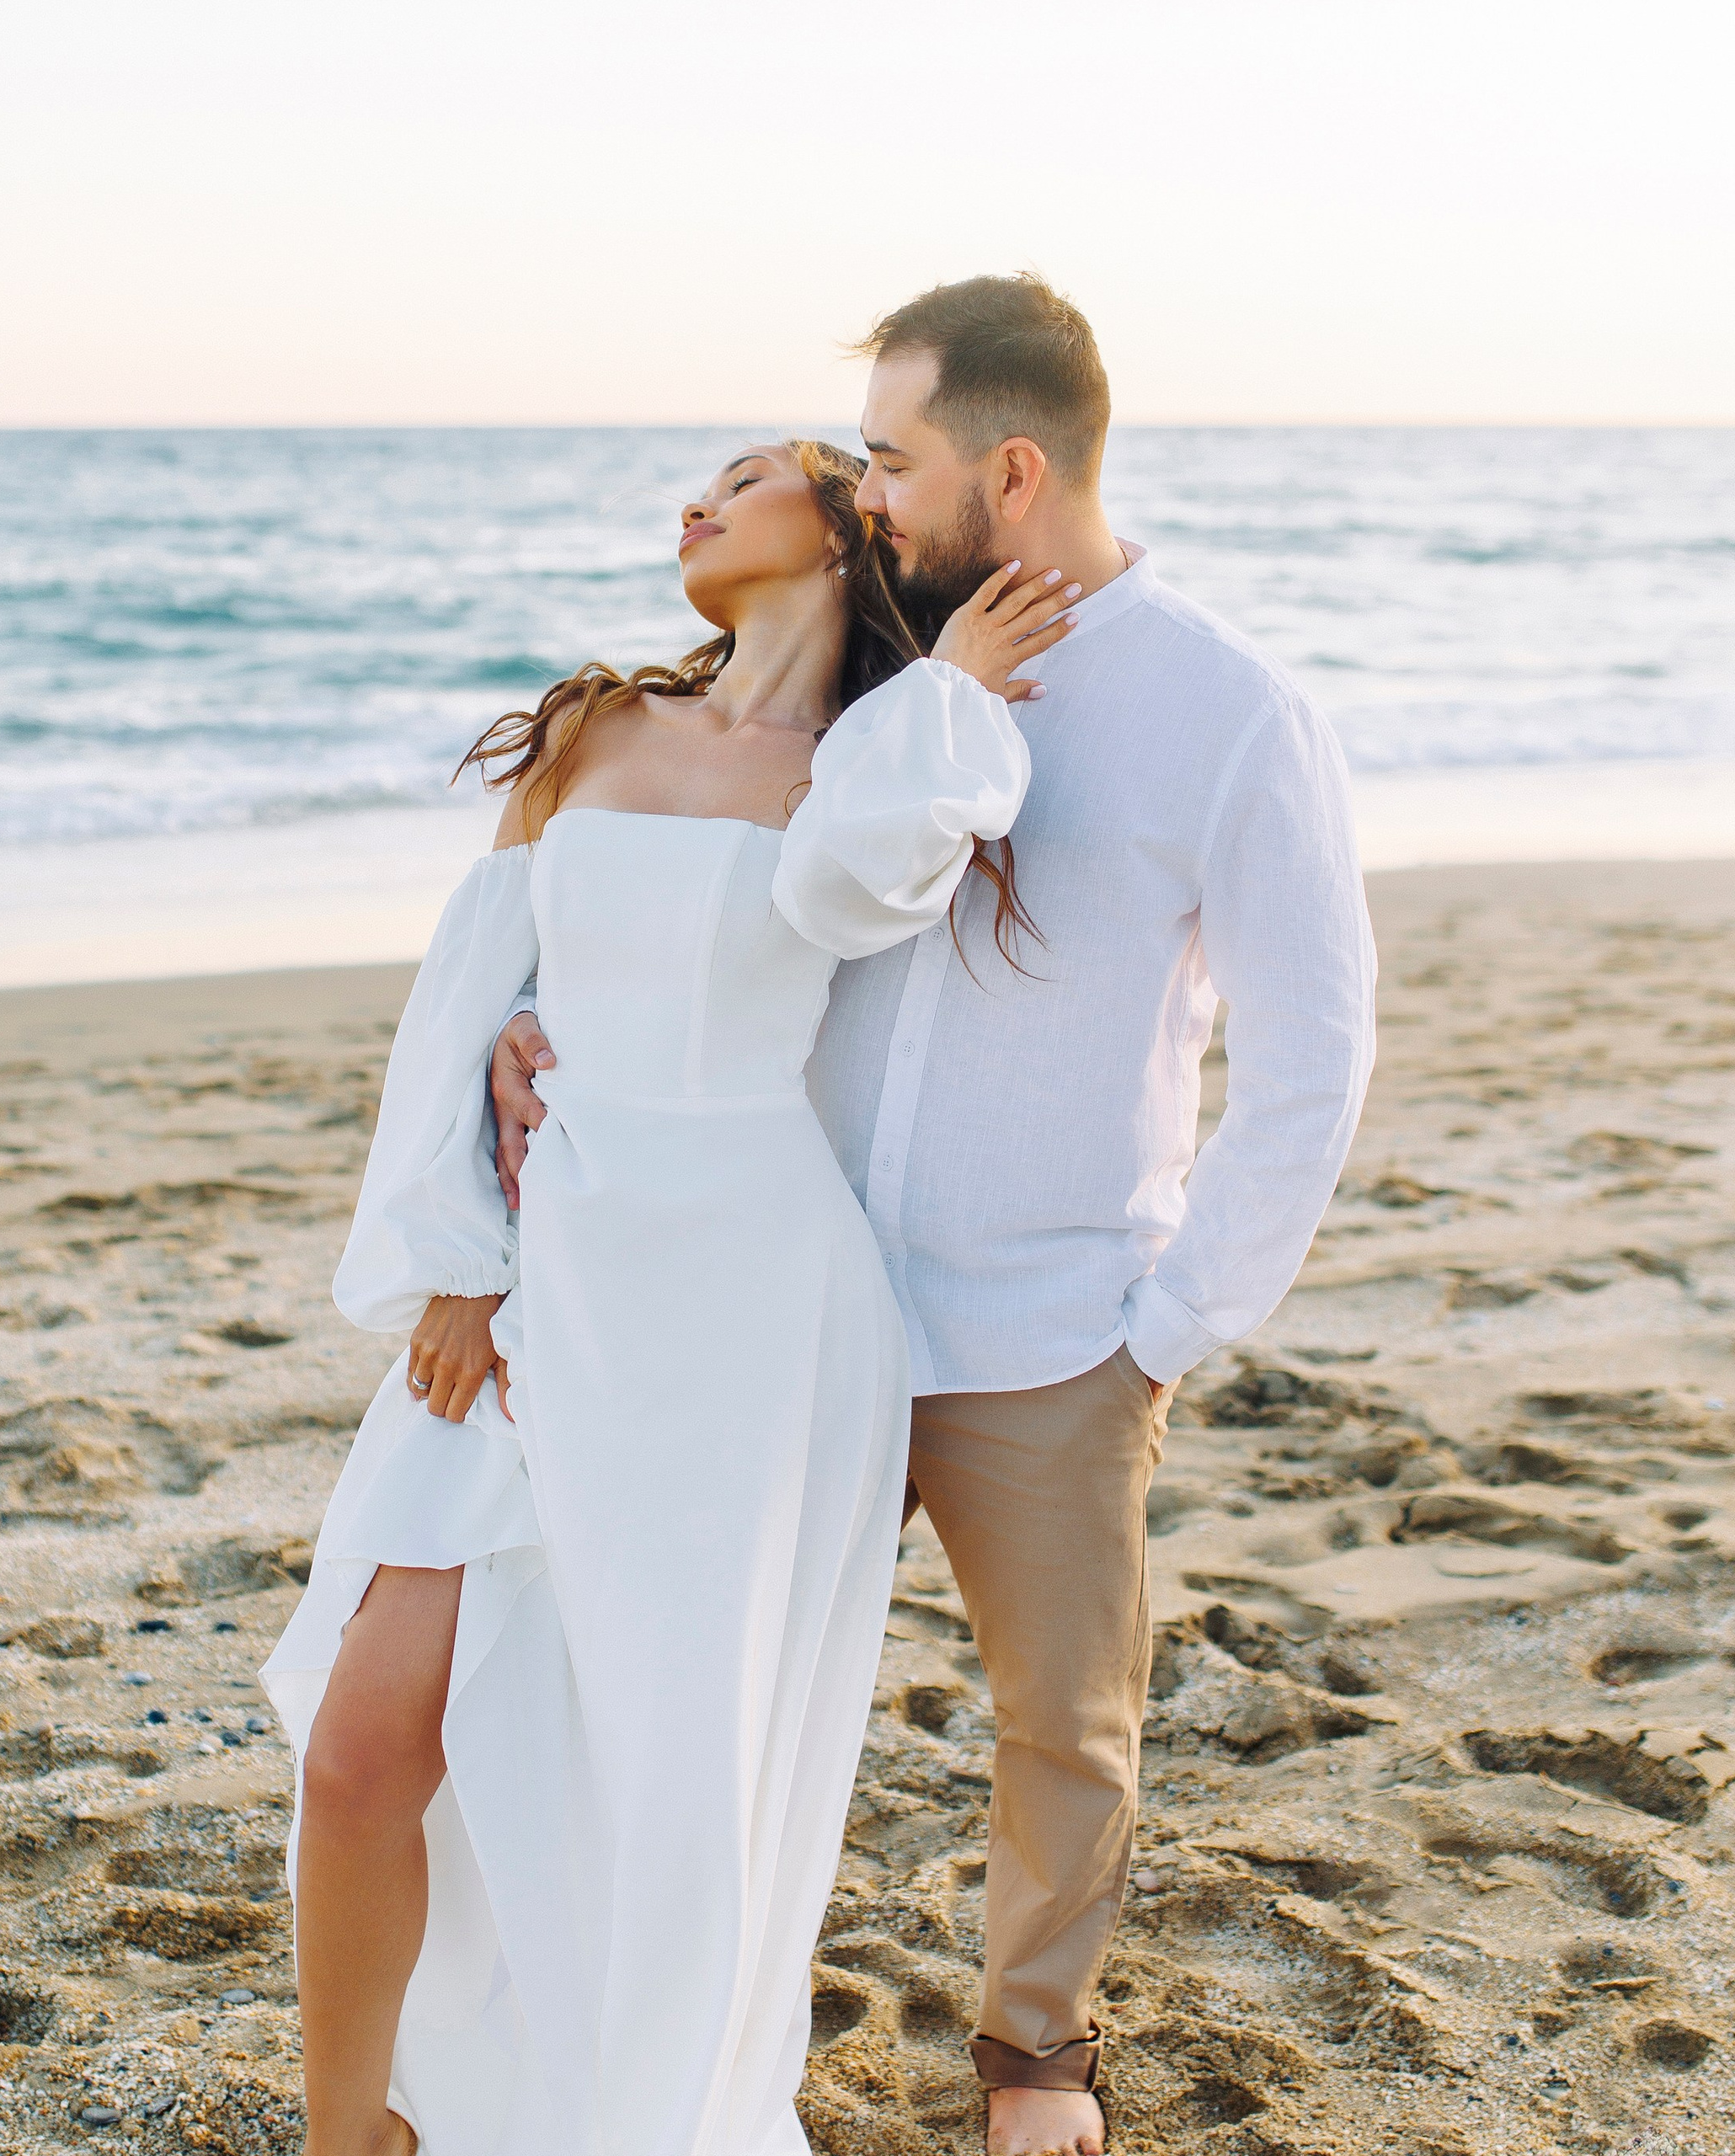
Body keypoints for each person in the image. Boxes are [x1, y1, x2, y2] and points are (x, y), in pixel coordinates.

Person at [493, 276, 1379, 2156]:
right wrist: (533, 1015)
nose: (866, 492)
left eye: (891, 457)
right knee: (704, 1673)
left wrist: (1175, 1318)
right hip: (778, 1284)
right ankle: (692, 2024)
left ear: (1013, 465)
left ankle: (1029, 2058)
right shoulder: (885, 658)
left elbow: (1313, 1051)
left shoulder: (1229, 712)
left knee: (1061, 1719)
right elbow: (710, 875)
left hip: (1050, 1324)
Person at [262, 435, 1076, 2156]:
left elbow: (853, 886)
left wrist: (942, 692)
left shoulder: (876, 760)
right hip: (540, 1265)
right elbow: (469, 993)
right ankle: (353, 2133)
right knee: (360, 1740)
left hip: (749, 1311)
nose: (692, 498)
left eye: (745, 470)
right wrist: (458, 1253)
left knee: (673, 1766)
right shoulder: (591, 732)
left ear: (847, 516)